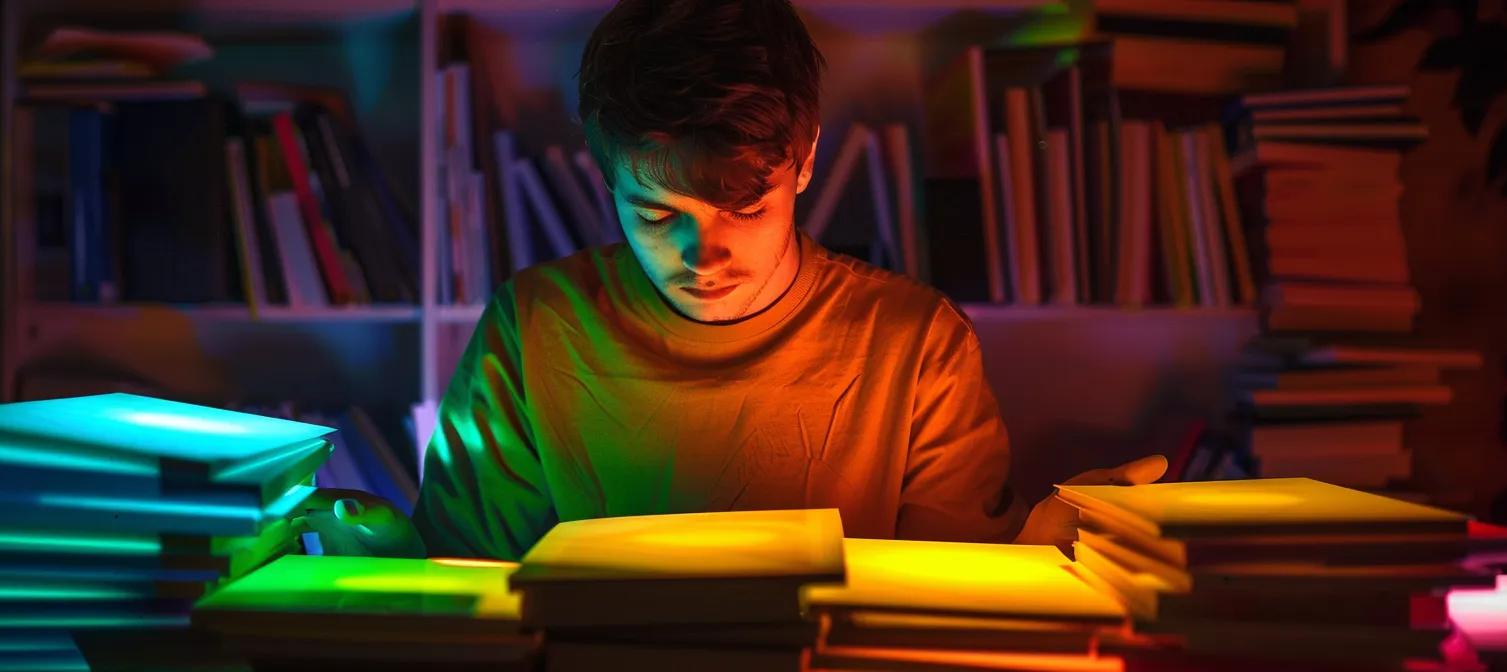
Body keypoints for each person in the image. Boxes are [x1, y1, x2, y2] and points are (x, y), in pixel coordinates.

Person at [297, 0, 1164, 561]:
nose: (702, 255)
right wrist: (383, 556)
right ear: (607, 182)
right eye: (656, 214)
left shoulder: (914, 344)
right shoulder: (536, 329)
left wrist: (1045, 550)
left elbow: (956, 608)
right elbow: (468, 585)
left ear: (804, 161)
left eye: (743, 206)